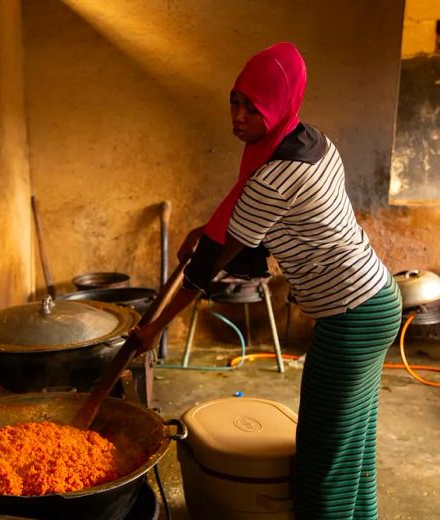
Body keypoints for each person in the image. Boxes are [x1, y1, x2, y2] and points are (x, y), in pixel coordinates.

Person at [135, 42, 402, 519]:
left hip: (351, 320)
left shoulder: (274, 177)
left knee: (323, 463)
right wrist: (204, 229)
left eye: (252, 107)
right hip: (376, 299)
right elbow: (236, 218)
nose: (237, 116)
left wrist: (155, 329)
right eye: (234, 101)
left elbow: (208, 265)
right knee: (352, 452)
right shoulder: (311, 141)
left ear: (279, 105)